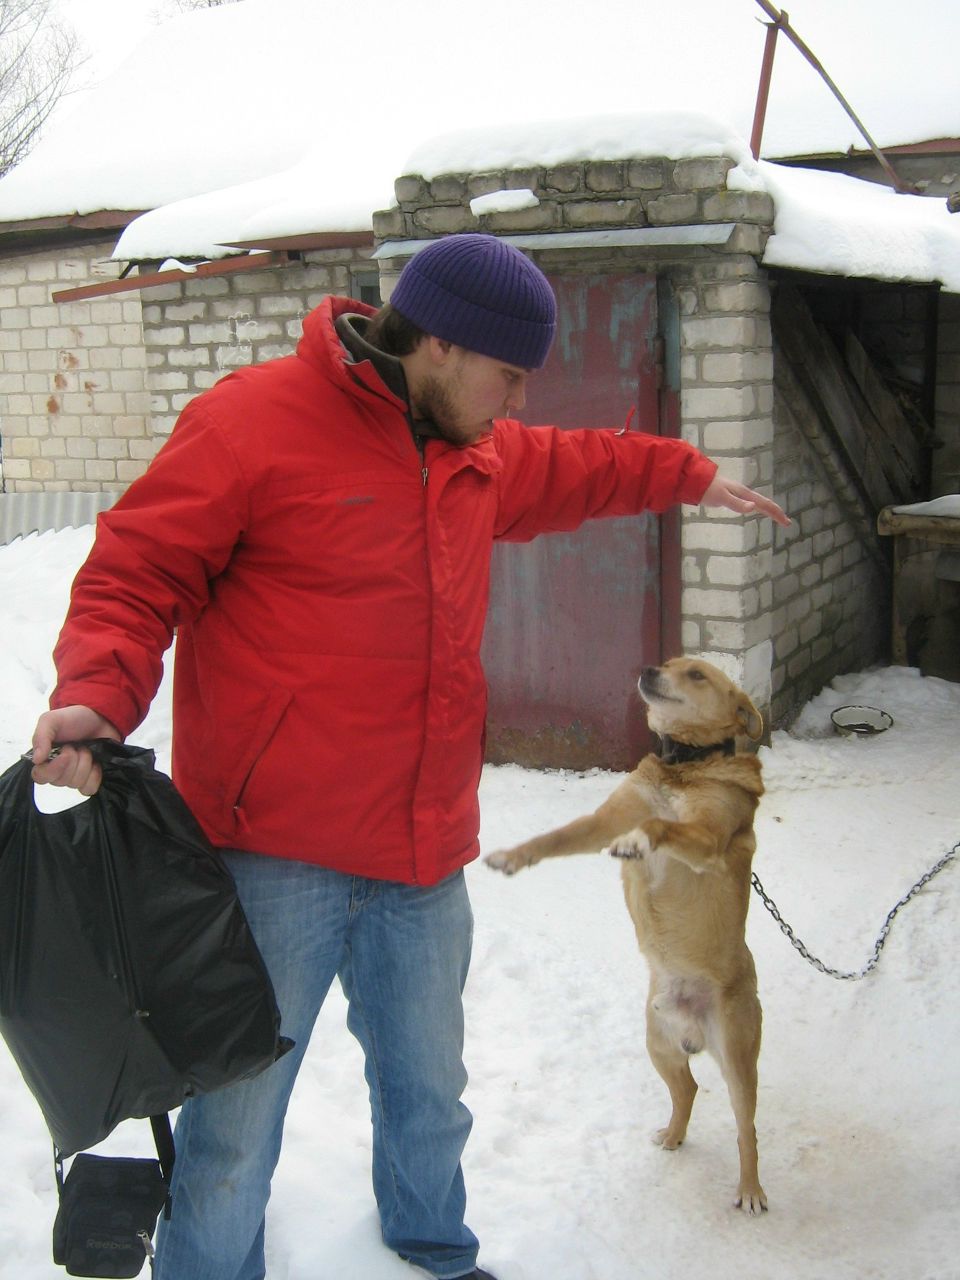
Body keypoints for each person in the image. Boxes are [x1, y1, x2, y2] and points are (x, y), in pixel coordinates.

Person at [32, 233, 789, 1280]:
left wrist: (692, 475)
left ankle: (433, 1251)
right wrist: (93, 695)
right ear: (438, 342)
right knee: (236, 1121)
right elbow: (135, 568)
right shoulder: (254, 424)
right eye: (508, 374)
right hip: (272, 853)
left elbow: (583, 463)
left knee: (431, 1093)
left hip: (424, 853)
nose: (518, 401)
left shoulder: (473, 449)